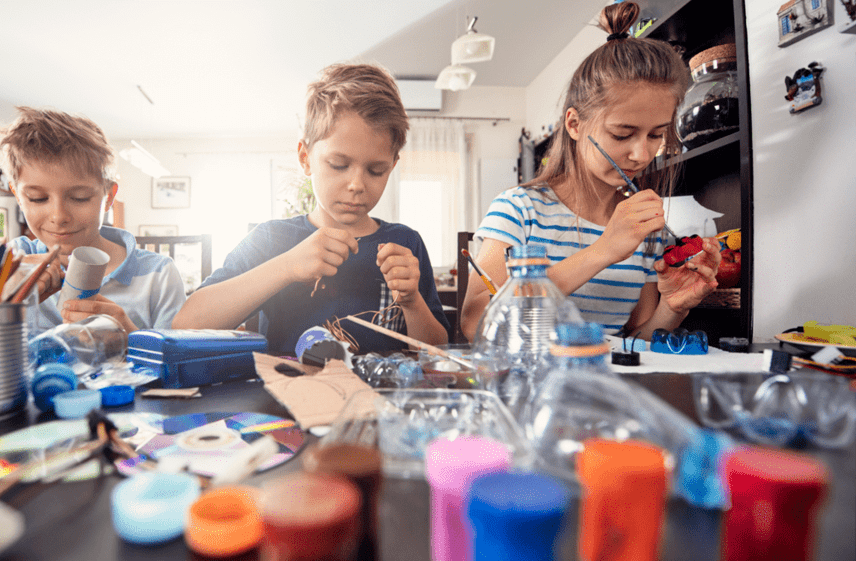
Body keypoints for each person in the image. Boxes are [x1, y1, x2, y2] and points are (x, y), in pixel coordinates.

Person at [461, 1, 720, 342]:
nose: (642, 153)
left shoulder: (643, 229)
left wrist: (673, 307)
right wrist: (602, 251)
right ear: (575, 124)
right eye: (622, 134)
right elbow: (474, 326)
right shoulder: (519, 210)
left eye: (656, 134)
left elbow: (634, 341)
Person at [172, 63, 450, 355]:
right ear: (305, 158)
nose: (356, 184)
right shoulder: (270, 239)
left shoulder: (405, 242)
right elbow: (185, 325)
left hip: (379, 399)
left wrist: (412, 302)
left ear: (392, 167)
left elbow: (436, 352)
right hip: (289, 398)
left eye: (376, 170)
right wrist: (286, 266)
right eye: (339, 165)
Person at [0, 107, 186, 333]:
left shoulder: (158, 275)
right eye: (38, 199)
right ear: (18, 197)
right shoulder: (11, 261)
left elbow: (177, 364)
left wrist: (130, 339)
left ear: (108, 197)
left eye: (80, 198)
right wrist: (0, 303)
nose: (59, 217)